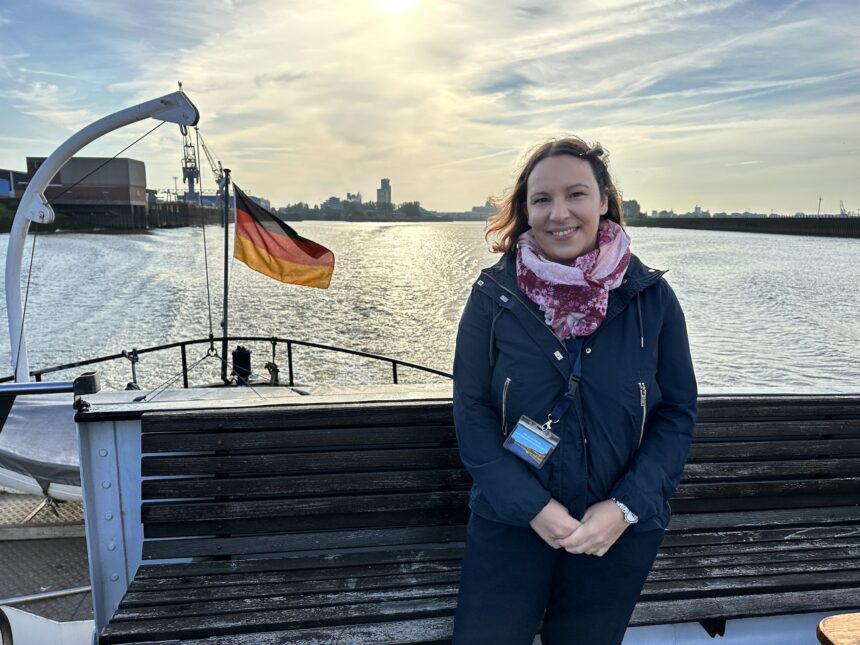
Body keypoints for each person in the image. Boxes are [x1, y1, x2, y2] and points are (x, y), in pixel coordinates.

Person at [451, 136, 697, 645]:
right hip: (510, 521)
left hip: (616, 530)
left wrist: (626, 507)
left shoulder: (652, 297)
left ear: (604, 200)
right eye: (541, 199)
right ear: (525, 209)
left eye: (576, 194)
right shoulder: (493, 297)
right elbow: (471, 411)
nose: (558, 213)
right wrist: (532, 508)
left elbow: (676, 413)